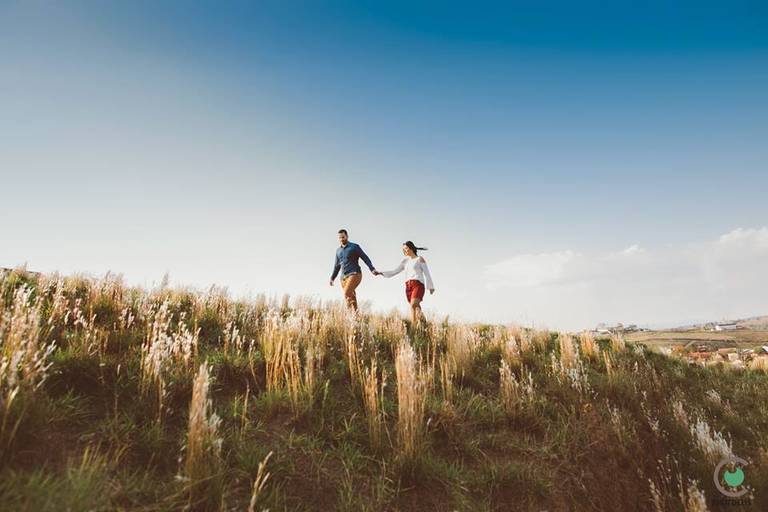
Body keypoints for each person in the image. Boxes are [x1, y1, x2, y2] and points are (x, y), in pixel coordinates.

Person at [376, 241, 435, 325]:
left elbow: (427, 273)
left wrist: (431, 286)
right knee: (416, 308)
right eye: (403, 249)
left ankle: (417, 325)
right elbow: (395, 271)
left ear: (411, 248)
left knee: (413, 304)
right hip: (408, 286)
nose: (404, 251)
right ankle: (423, 325)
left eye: (406, 248)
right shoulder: (405, 261)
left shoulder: (419, 259)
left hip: (418, 284)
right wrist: (381, 273)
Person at [330, 229, 378, 312]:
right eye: (340, 238)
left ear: (347, 236)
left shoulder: (354, 247)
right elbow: (336, 266)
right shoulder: (338, 251)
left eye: (343, 237)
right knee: (352, 296)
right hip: (343, 278)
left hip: (355, 274)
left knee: (346, 293)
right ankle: (356, 317)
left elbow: (364, 257)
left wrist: (372, 268)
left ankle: (349, 317)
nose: (342, 239)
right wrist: (332, 278)